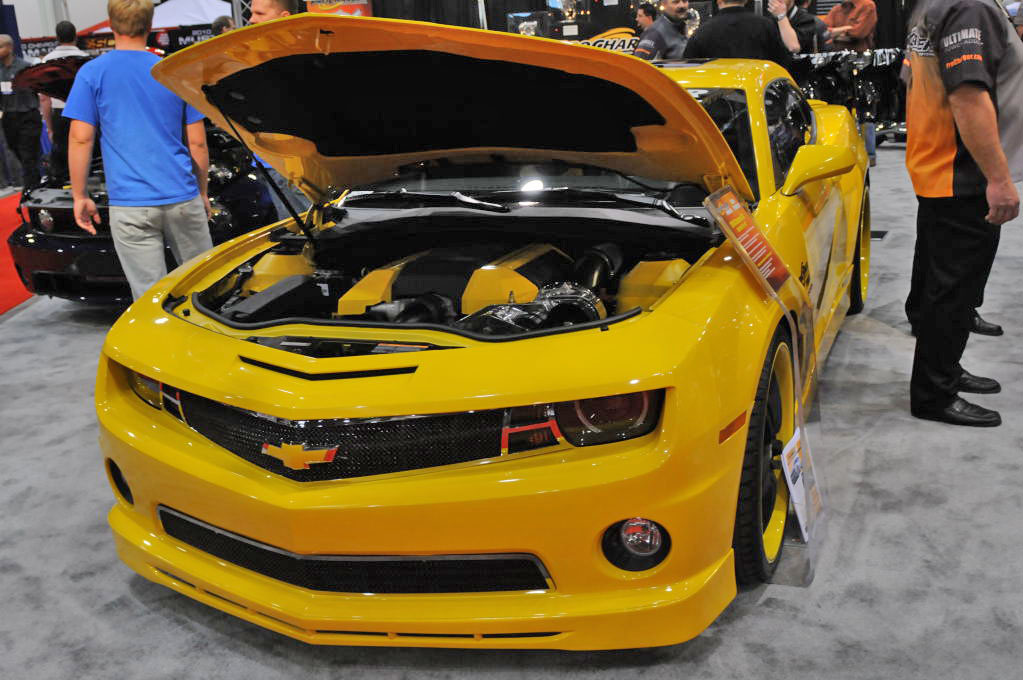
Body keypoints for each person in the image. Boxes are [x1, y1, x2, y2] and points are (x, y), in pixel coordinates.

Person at [903, 0, 1023, 427]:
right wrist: (999, 178)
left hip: (939, 166)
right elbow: (968, 97)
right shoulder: (970, 7)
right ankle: (934, 393)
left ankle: (944, 371)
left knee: (942, 289)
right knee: (953, 294)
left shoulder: (935, 5)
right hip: (961, 173)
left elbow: (913, 79)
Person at [64, 0, 213, 300]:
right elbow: (197, 142)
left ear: (110, 24)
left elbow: (80, 139)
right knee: (205, 289)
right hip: (182, 198)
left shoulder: (92, 73)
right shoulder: (173, 71)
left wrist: (80, 196)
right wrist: (201, 192)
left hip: (130, 205)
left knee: (148, 298)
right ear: (150, 25)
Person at [248, 0, 310, 221]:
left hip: (294, 168)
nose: (251, 19)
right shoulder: (257, 55)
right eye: (251, 12)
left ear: (284, 17)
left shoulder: (298, 57)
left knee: (313, 229)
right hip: (273, 164)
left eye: (259, 13)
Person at [40, 21, 89, 187]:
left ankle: (66, 191)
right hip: (83, 114)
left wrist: (49, 127)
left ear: (57, 37)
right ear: (75, 36)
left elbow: (44, 98)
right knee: (86, 153)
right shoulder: (85, 59)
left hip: (59, 114)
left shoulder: (47, 61)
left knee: (62, 156)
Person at [683, 0, 799, 67]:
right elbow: (782, 63)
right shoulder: (766, 26)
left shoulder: (703, 31)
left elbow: (689, 66)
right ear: (746, 0)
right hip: (757, 94)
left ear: (718, 1)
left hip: (718, 98)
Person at [0, 34, 43, 191]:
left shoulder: (25, 67)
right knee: (14, 149)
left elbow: (37, 89)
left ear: (10, 48)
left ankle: (31, 188)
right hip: (9, 117)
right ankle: (34, 181)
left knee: (28, 154)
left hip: (28, 115)